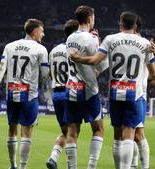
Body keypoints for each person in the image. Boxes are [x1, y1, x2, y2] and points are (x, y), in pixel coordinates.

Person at [69, 11, 155, 169]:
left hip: (115, 92)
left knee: (117, 136)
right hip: (134, 94)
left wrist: (77, 58)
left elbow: (95, 60)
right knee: (129, 134)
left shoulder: (110, 39)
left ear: (121, 23)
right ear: (135, 25)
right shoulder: (145, 43)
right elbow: (154, 74)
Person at [0, 19, 49, 169]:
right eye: (41, 30)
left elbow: (1, 68)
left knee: (12, 128)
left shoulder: (9, 46)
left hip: (11, 94)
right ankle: (22, 167)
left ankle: (12, 165)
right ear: (34, 31)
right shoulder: (41, 49)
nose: (43, 33)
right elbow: (45, 75)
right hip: (29, 95)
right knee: (27, 131)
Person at [65, 5, 108, 169]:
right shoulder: (91, 39)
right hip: (88, 90)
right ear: (90, 18)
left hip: (71, 87)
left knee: (72, 131)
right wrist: (99, 43)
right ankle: (91, 167)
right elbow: (100, 65)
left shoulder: (70, 38)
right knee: (98, 129)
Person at [46, 19, 79, 169]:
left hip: (57, 94)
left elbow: (51, 74)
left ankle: (53, 157)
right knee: (73, 132)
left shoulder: (53, 50)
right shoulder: (75, 50)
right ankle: (70, 166)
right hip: (70, 92)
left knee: (65, 132)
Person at [130, 15, 151, 169]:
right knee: (129, 134)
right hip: (131, 92)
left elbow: (154, 72)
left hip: (139, 93)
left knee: (138, 133)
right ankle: (133, 165)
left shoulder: (143, 44)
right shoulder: (143, 44)